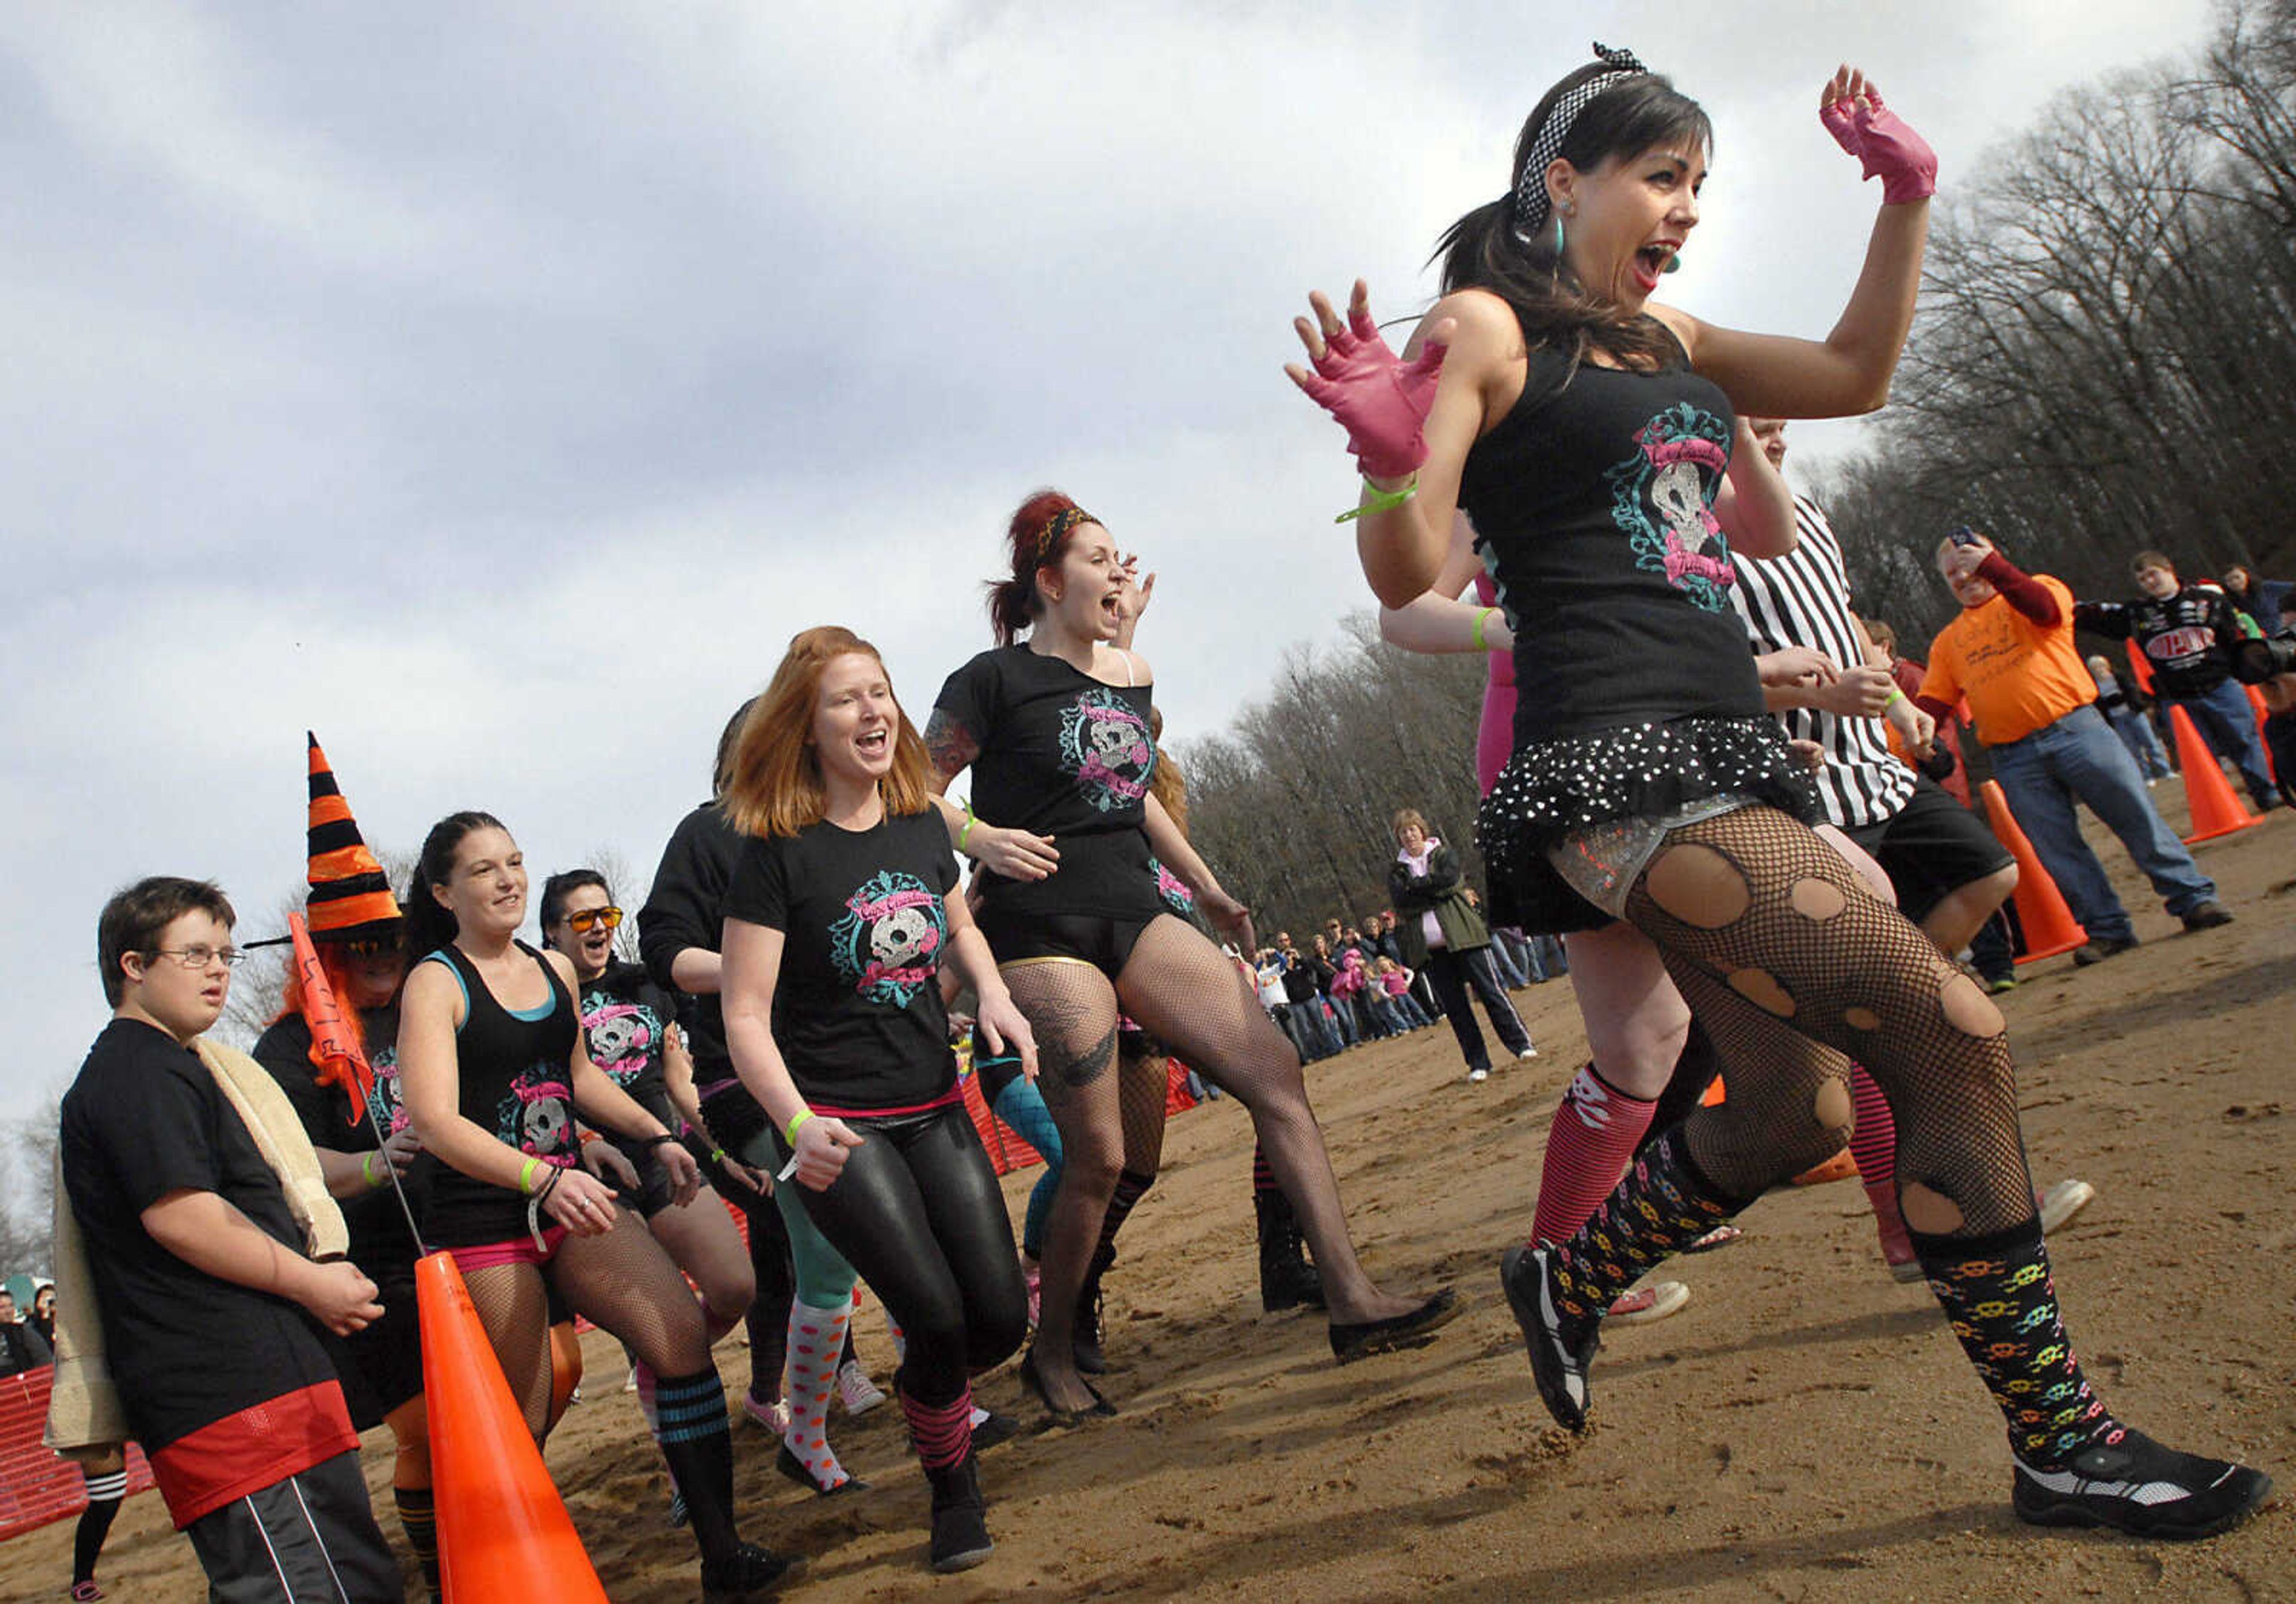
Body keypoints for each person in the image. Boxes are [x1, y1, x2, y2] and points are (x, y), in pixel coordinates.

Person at [1289, 46, 2268, 1537]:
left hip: (1718, 746)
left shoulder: (1662, 333)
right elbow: (1405, 568)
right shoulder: (1485, 324)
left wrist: (1904, 196)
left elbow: (1853, 374)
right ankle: (2060, 1439)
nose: (1684, 209)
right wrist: (1381, 462)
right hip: (1614, 771)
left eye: (1699, 184)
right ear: (1562, 183)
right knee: (1948, 1032)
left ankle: (1564, 1276)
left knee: (1789, 1102)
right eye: (1660, 177)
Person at [926, 491, 1456, 1420]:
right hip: (1037, 924)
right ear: (1050, 581)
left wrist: (1207, 885)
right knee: (1099, 1153)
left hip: (1133, 904)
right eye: (1099, 556)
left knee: (1277, 1071)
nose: (1119, 568)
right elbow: (909, 790)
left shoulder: (1131, 672)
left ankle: (1350, 1295)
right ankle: (1051, 1355)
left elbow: (1130, 793)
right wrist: (981, 835)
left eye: (1119, 553)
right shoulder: (990, 680)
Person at [395, 812, 789, 1599]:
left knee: (679, 1333)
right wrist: (540, 1179)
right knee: (520, 1420)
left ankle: (724, 1555)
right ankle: (474, 1577)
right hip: (486, 1219)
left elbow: (576, 1075)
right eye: (482, 869)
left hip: (572, 1200)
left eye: (513, 860)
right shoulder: (435, 980)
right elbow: (435, 1121)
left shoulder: (553, 969)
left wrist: (656, 1134)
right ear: (443, 891)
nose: (507, 878)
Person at [718, 626, 1033, 1572]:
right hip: (840, 1130)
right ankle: (953, 1488)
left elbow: (958, 920)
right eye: (849, 698)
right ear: (806, 727)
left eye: (881, 691)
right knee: (931, 1315)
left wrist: (998, 992)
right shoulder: (774, 851)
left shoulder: (919, 820)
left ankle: (928, 1399)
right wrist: (798, 1124)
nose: (875, 711)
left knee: (998, 1320)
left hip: (934, 1102)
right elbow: (743, 1012)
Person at [61, 876, 401, 1597]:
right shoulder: (134, 1071)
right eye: (195, 953)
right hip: (227, 1398)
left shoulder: (182, 1064)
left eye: (225, 951)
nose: (219, 968)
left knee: (358, 1581)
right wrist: (315, 1284)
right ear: (133, 966)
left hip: (272, 1382)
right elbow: (183, 1216)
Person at [637, 703, 884, 1489]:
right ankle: (806, 1425)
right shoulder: (705, 834)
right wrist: (757, 965)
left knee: (885, 1232)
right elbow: (665, 948)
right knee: (822, 1248)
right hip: (743, 1079)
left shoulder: (833, 825)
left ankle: (922, 1387)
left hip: (852, 1061)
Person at [251, 735, 442, 1593]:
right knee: (425, 1428)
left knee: (545, 1376)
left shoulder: (429, 1009)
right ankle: (447, 1566)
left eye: (391, 942)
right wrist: (378, 1163)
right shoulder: (287, 1049)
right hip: (373, 1272)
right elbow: (298, 1168)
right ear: (327, 956)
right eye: (361, 947)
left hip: (457, 1240)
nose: (382, 958)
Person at [539, 868, 761, 1513]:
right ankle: (681, 1470)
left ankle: (658, 1366)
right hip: (593, 1172)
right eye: (581, 919)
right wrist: (581, 1140)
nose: (599, 927)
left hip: (664, 1151)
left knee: (734, 1287)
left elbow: (678, 1081)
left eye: (604, 913)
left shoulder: (645, 983)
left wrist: (718, 1152)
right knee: (667, 1326)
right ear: (552, 931)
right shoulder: (540, 999)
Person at [1921, 530, 2234, 963]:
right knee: (2056, 849)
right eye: (1953, 573)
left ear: (1994, 558)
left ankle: (2191, 897)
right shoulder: (1948, 642)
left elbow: (2046, 612)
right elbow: (1933, 702)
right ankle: (2107, 928)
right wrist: (1912, 735)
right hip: (2014, 756)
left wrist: (1991, 564)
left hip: (2076, 728)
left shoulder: (2041, 588)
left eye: (1971, 563)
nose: (1965, 576)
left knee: (2135, 815)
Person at [2075, 552, 2280, 813]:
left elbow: (2235, 639)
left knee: (2244, 740)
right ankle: (2220, 809)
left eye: (2154, 574)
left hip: (2221, 686)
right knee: (2200, 755)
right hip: (2178, 698)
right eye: (2143, 579)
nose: (2150, 581)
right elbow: (2095, 614)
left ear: (2169, 570)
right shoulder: (2139, 613)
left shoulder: (2210, 601)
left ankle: (2266, 792)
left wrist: (2247, 672)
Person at [1387, 810, 1537, 1083]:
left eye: (1412, 830)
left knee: (1492, 993)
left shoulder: (1444, 855)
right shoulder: (1397, 870)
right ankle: (1478, 1062)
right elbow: (1401, 902)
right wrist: (1426, 890)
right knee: (1457, 1009)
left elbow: (1449, 883)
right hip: (1431, 951)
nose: (1409, 836)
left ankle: (1522, 1045)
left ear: (1422, 831)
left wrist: (1418, 888)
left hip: (1464, 937)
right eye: (1403, 832)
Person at [2087, 654, 2172, 782]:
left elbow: (2131, 691)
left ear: (2106, 666)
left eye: (2100, 666)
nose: (2099, 670)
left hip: (2134, 713)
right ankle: (2147, 776)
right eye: (2095, 668)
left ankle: (2165, 771)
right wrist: (2110, 703)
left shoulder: (2119, 677)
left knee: (2150, 743)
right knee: (2133, 749)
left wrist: (2132, 702)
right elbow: (2099, 703)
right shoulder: (2094, 686)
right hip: (2117, 719)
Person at [0, 1287, 52, 1377]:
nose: (8, 1311)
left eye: (11, 1305)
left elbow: (44, 1359)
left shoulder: (23, 1331)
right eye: (2, 1307)